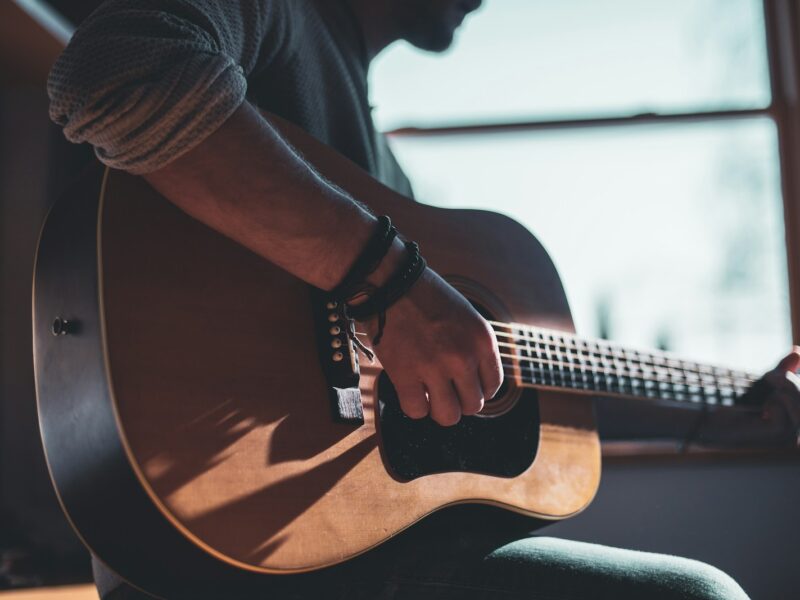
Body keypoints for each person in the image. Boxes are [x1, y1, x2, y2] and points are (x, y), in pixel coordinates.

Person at [47, 1, 800, 598]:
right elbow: (116, 68)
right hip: (223, 559)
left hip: (348, 546)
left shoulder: (386, 178)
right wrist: (389, 285)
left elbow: (525, 380)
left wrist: (735, 401)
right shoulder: (279, 13)